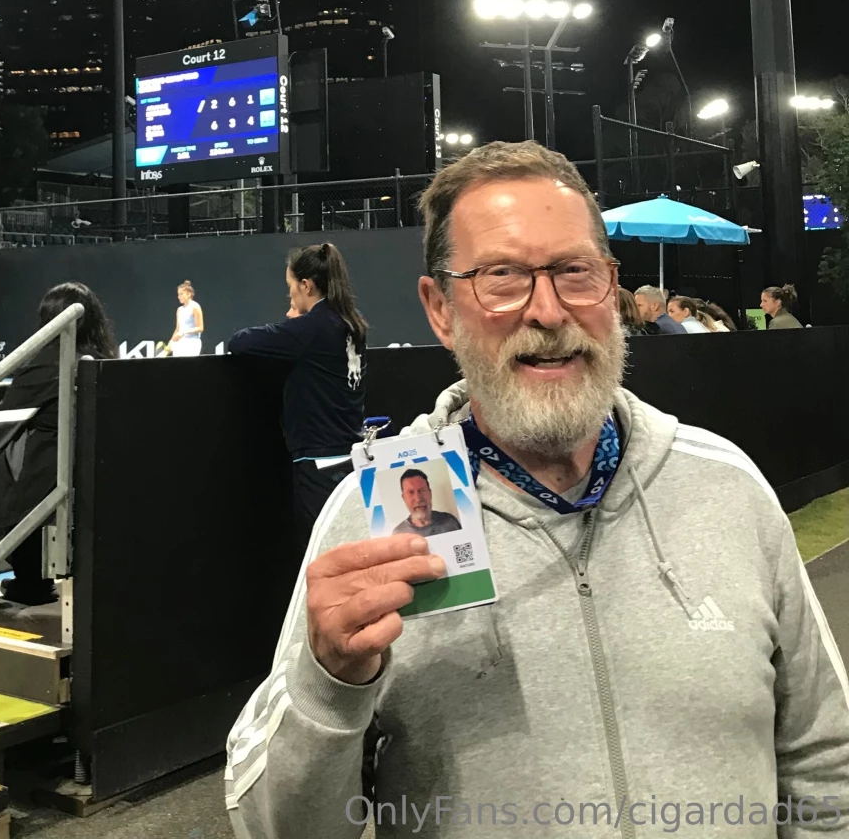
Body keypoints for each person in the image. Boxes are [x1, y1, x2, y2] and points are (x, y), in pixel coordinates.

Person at [225, 140, 849, 837]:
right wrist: (327, 687)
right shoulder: (365, 522)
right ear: (440, 308)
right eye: (502, 277)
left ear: (611, 289)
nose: (548, 312)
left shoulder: (728, 488)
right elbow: (278, 829)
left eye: (573, 272)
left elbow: (826, 762)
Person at [0, 282, 117, 620]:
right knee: (25, 479)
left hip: (50, 483)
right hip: (87, 482)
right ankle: (31, 584)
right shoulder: (104, 362)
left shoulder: (45, 363)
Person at [227, 243, 367, 551]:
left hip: (318, 462)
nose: (289, 296)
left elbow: (240, 342)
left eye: (291, 287)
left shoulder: (313, 328)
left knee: (323, 554)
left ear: (306, 285)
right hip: (348, 455)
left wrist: (293, 325)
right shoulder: (351, 323)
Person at [391, 468, 461, 537]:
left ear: (430, 493)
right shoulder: (398, 535)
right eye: (411, 492)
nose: (418, 499)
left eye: (422, 491)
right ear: (404, 498)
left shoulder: (450, 521)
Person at [170, 280, 204, 356]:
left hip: (192, 343)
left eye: (181, 294)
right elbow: (177, 329)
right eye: (178, 294)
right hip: (180, 344)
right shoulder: (179, 310)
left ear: (189, 294)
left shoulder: (195, 307)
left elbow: (200, 328)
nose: (179, 297)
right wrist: (171, 342)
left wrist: (184, 332)